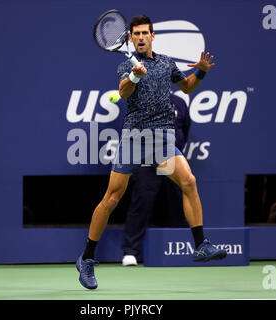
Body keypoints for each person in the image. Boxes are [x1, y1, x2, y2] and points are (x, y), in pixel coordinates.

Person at [76, 15, 227, 290]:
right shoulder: (125, 65)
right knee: (111, 198)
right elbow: (123, 92)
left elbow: (187, 87)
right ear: (131, 38)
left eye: (146, 33)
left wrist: (202, 71)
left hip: (163, 141)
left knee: (189, 182)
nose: (142, 37)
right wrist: (135, 75)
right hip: (134, 139)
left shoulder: (168, 63)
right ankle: (86, 259)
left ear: (153, 36)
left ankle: (201, 244)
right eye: (137, 34)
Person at [122, 92, 190, 266]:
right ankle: (131, 251)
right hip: (147, 159)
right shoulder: (141, 100)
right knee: (141, 203)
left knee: (177, 201)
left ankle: (181, 247)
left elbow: (185, 128)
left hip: (171, 159)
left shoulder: (179, 102)